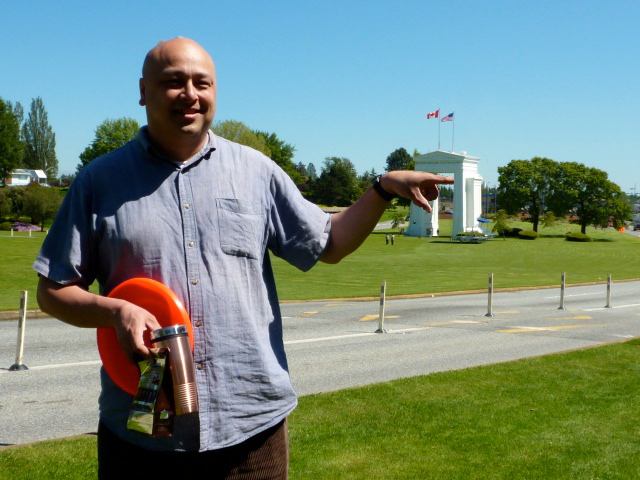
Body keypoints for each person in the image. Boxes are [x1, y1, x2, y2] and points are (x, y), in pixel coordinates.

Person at [34, 37, 453, 479]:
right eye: (174, 82)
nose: (190, 94)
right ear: (143, 91)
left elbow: (329, 242)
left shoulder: (257, 172)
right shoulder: (99, 181)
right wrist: (116, 311)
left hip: (251, 432)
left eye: (202, 83)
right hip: (142, 436)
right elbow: (53, 290)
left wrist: (383, 188)